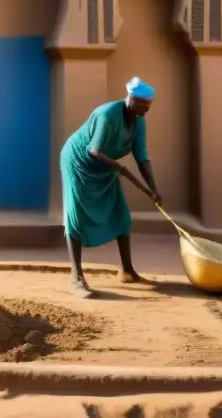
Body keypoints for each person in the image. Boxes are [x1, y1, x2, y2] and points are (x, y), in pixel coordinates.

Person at [60, 77, 162, 293]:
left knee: (120, 213)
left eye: (149, 105)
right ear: (132, 99)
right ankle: (76, 277)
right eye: (144, 104)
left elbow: (142, 157)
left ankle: (127, 271)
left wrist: (153, 189)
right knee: (76, 215)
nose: (147, 109)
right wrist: (120, 168)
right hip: (79, 161)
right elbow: (94, 150)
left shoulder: (138, 119)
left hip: (106, 165)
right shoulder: (107, 115)